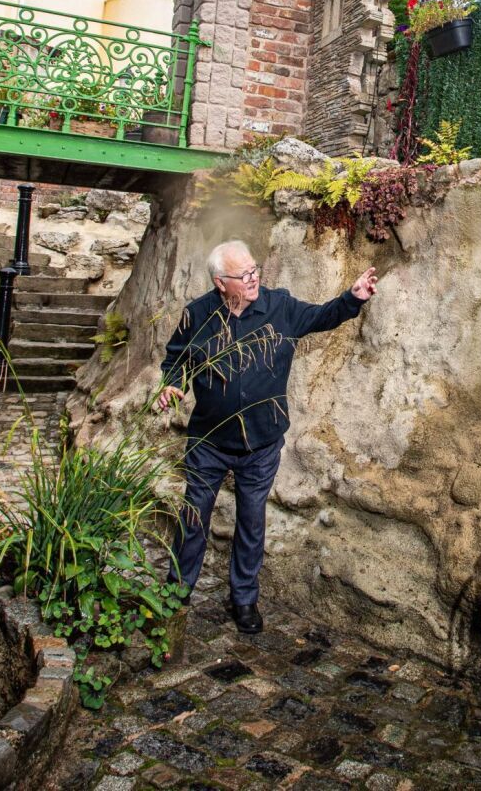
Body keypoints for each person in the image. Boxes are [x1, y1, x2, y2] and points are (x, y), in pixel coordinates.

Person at [155, 240, 378, 633]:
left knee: (251, 522)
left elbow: (322, 316)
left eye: (255, 270)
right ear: (221, 282)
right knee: (193, 517)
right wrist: (171, 385)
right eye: (244, 275)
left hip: (261, 443)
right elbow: (176, 359)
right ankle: (177, 591)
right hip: (208, 441)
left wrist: (352, 298)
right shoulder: (198, 315)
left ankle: (244, 599)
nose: (254, 278)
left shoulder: (280, 307)